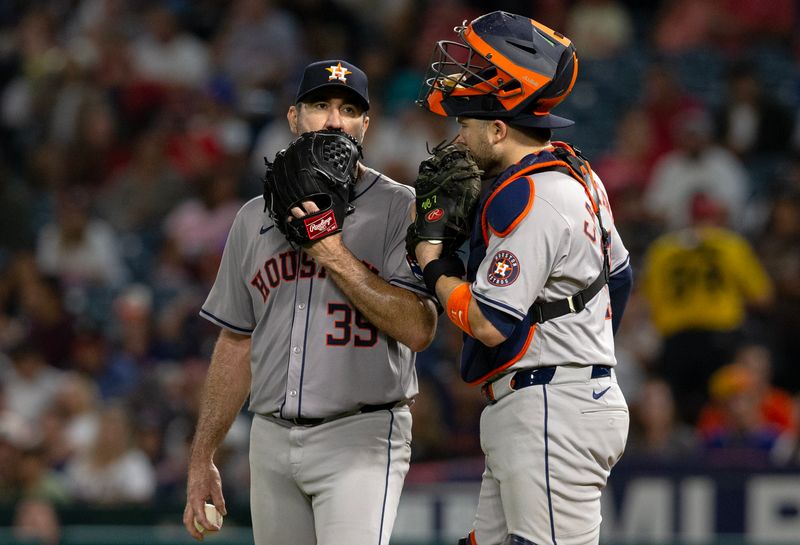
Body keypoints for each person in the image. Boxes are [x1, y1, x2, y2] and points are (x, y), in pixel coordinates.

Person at [183, 59, 438, 545]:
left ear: (367, 124)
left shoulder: (398, 206)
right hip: (271, 440)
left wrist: (333, 253)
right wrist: (202, 458)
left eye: (348, 109)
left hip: (360, 435)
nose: (334, 120)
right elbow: (236, 343)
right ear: (294, 118)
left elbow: (420, 329)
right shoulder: (253, 218)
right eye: (320, 105)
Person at [412, 11, 633, 545]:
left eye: (465, 126)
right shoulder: (576, 170)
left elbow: (487, 322)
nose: (458, 141)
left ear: (497, 127)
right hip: (559, 395)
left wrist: (433, 262)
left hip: (552, 405)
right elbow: (619, 278)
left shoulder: (529, 195)